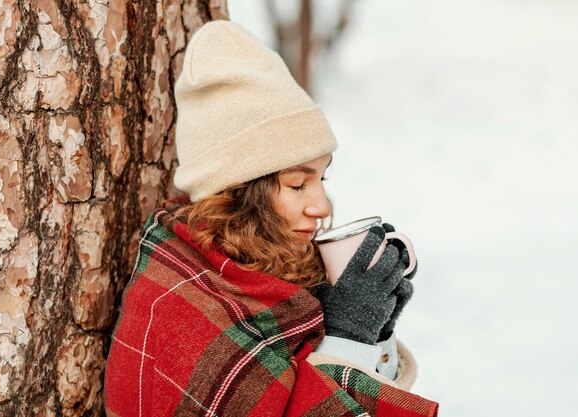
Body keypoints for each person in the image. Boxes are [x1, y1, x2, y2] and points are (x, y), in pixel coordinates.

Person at [105, 20, 439, 417]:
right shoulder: (180, 314)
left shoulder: (275, 277)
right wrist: (347, 336)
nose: (323, 206)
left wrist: (373, 333)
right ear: (240, 191)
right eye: (298, 184)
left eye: (322, 178)